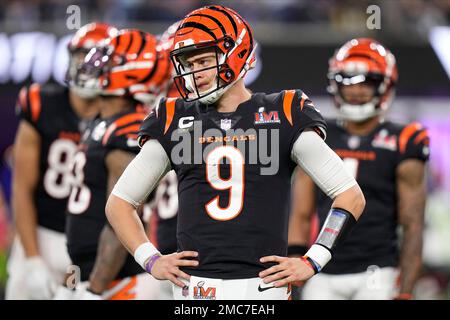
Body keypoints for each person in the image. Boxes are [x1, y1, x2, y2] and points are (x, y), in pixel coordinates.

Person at [106, 5, 366, 300]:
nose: (195, 73)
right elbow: (119, 203)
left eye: (203, 60)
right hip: (196, 288)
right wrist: (150, 259)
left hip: (263, 287)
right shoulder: (174, 117)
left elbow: (350, 195)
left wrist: (314, 259)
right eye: (188, 65)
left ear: (237, 53)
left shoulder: (282, 112)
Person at [288, 38, 430, 300]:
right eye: (347, 81)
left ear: (385, 84)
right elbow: (301, 213)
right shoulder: (319, 133)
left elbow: (413, 223)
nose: (356, 90)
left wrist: (407, 290)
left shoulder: (404, 138)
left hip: (377, 270)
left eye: (367, 82)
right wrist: (294, 267)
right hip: (321, 267)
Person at [5, 22, 117, 300]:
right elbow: (22, 188)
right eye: (82, 56)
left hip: (89, 241)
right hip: (40, 232)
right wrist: (31, 257)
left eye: (97, 59)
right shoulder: (42, 104)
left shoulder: (121, 119)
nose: (88, 66)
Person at [65, 29, 172, 300]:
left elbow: (123, 213)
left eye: (108, 60)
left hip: (119, 280)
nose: (93, 65)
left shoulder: (128, 127)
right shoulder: (104, 121)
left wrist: (95, 290)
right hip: (97, 274)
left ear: (133, 72)